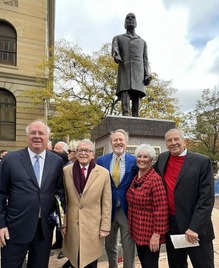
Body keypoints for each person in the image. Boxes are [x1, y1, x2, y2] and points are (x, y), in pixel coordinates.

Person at [0, 120, 65, 268]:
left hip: (43, 230)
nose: (37, 136)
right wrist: (1, 225)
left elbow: (59, 192)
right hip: (14, 229)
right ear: (27, 136)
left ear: (48, 137)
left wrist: (60, 219)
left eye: (41, 133)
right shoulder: (10, 159)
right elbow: (1, 193)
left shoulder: (56, 161)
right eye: (33, 133)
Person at [154, 129, 215, 268]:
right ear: (166, 143)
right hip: (172, 226)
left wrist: (195, 227)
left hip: (195, 227)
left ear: (184, 141)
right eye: (169, 140)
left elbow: (206, 199)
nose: (173, 143)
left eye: (176, 139)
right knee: (176, 265)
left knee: (203, 264)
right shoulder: (162, 158)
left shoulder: (202, 161)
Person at [61, 139, 112, 268]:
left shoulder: (103, 173)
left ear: (93, 154)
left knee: (90, 260)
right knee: (74, 260)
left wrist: (105, 226)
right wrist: (63, 223)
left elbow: (106, 202)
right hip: (73, 225)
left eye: (87, 150)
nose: (83, 153)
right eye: (80, 150)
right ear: (76, 153)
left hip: (93, 226)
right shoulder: (66, 171)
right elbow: (63, 200)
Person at [96, 129, 137, 268]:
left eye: (121, 140)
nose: (118, 142)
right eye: (115, 140)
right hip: (108, 210)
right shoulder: (101, 161)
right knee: (110, 244)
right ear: (111, 143)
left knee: (128, 245)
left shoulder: (135, 161)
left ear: (126, 142)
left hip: (127, 209)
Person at [126, 144, 169, 268]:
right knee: (144, 263)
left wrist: (156, 235)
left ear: (151, 160)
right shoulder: (136, 177)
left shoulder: (155, 179)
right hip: (138, 231)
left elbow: (161, 209)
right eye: (139, 156)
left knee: (150, 265)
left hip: (150, 233)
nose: (142, 159)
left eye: (145, 157)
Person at [112, 13, 151, 117]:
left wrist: (147, 74)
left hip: (139, 72)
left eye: (132, 18)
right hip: (125, 68)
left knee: (136, 94)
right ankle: (125, 115)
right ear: (125, 23)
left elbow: (145, 59)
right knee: (125, 91)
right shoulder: (118, 38)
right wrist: (116, 56)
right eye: (127, 18)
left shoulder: (142, 42)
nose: (130, 19)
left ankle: (136, 116)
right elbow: (115, 50)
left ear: (136, 22)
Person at [51, 140, 71, 260]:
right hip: (56, 197)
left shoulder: (67, 164)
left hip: (65, 198)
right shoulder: (59, 161)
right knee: (58, 223)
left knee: (64, 224)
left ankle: (65, 248)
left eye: (57, 149)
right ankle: (59, 243)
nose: (54, 150)